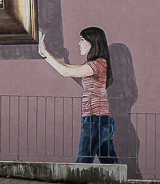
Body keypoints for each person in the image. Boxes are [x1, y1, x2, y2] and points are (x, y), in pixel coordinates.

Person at [38, 27, 118, 164]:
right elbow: (68, 68)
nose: (79, 43)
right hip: (100, 120)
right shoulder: (93, 64)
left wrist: (45, 53)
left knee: (82, 163)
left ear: (93, 42)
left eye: (82, 39)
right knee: (110, 165)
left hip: (95, 121)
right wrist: (46, 55)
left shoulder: (99, 64)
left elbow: (65, 72)